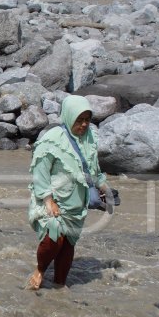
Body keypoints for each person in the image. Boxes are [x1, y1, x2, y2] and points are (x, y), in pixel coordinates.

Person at [27, 95, 111, 290]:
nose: (83, 125)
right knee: (54, 238)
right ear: (68, 117)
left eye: (86, 120)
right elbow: (40, 174)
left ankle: (59, 288)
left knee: (68, 245)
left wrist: (105, 189)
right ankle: (40, 270)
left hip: (77, 204)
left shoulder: (90, 138)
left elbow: (94, 170)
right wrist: (48, 201)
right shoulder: (52, 139)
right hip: (53, 200)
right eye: (78, 120)